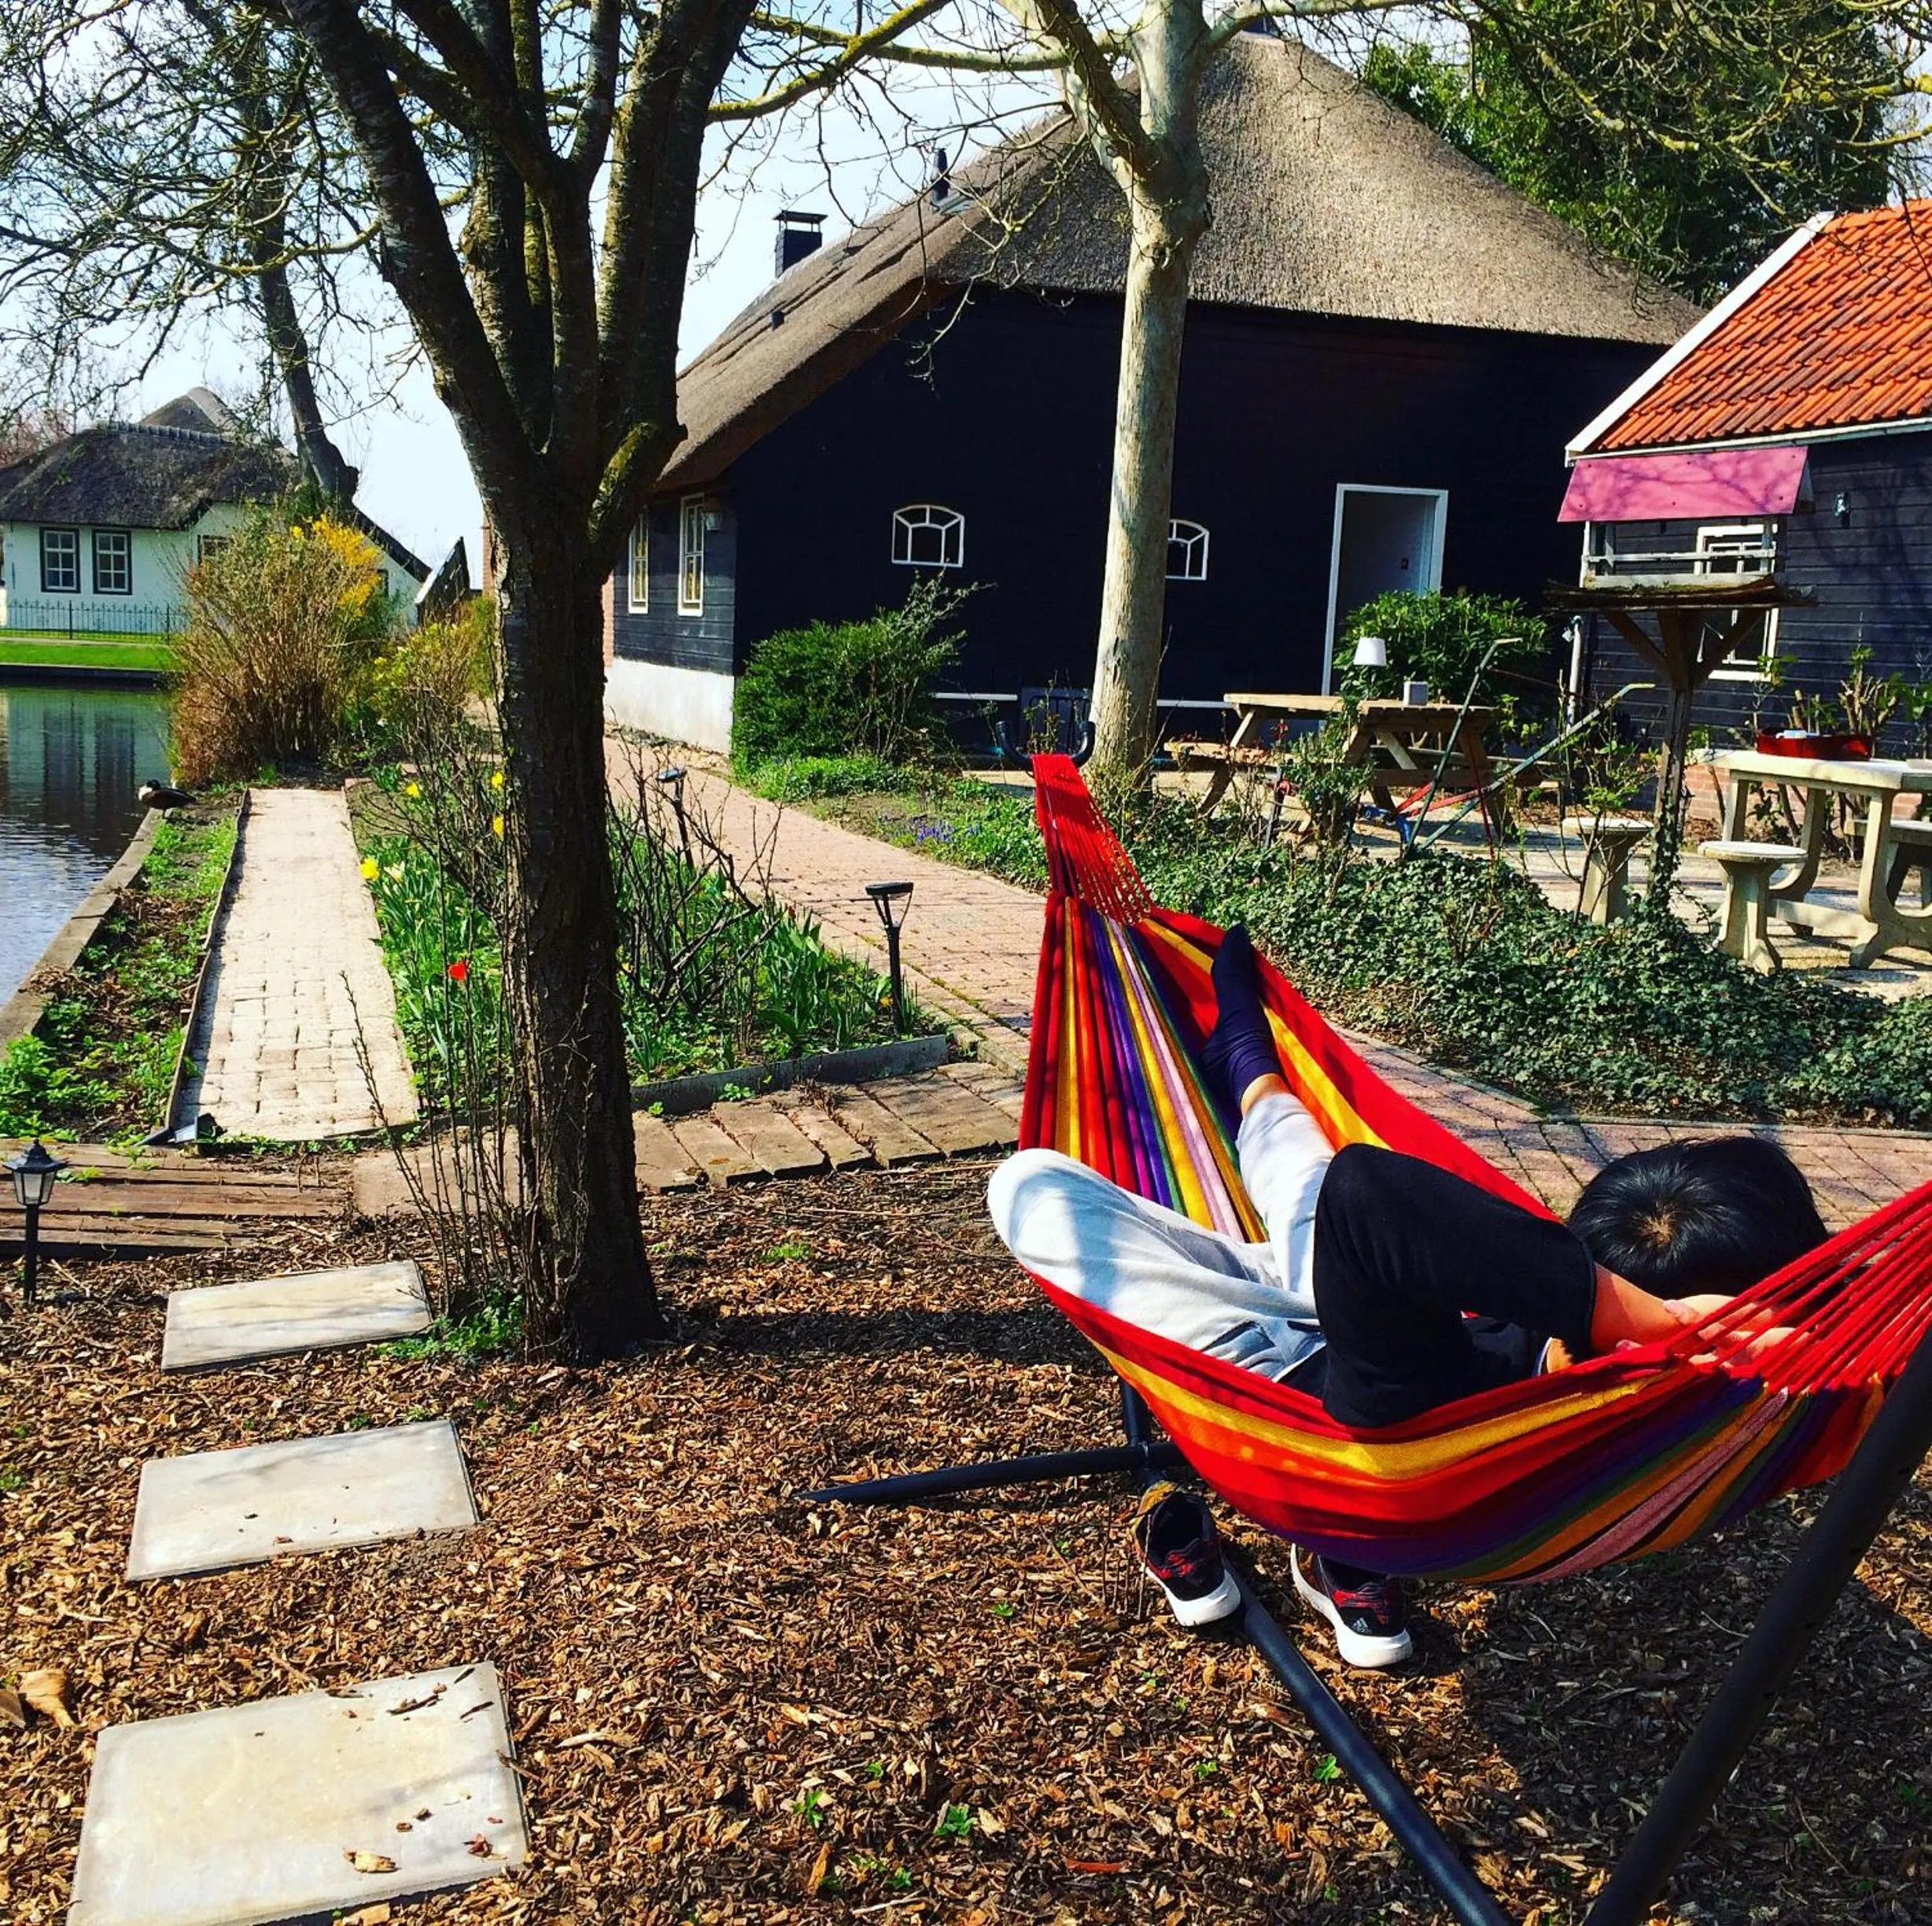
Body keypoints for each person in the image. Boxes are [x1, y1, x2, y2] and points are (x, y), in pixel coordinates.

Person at [988, 926, 1827, 1667]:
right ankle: (1244, 1062)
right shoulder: (1696, 1383)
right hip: (1377, 1294)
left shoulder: (1464, 1411)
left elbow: (1374, 1194)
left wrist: (1639, 1317)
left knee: (1027, 1184)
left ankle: (1244, 1067)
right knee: (1298, 1172)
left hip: (1274, 1380)